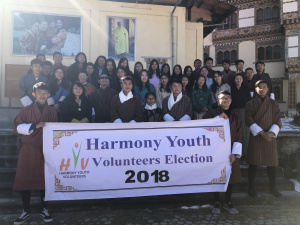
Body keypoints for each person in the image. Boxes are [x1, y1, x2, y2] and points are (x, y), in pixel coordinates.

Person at [13, 82, 58, 224]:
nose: (43, 95)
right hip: (28, 148)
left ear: (48, 94)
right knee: (24, 178)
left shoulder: (51, 112)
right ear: (34, 95)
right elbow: (17, 126)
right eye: (40, 93)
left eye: (45, 93)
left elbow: (55, 130)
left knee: (44, 180)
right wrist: (34, 125)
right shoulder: (26, 110)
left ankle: (44, 209)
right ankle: (26, 210)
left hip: (45, 149)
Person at [203, 90, 242, 215]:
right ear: (218, 101)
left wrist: (234, 153)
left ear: (231, 101)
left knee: (230, 176)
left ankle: (227, 201)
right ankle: (216, 201)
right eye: (222, 98)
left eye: (227, 98)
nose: (225, 100)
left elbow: (239, 136)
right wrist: (216, 119)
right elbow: (203, 125)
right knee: (216, 176)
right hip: (215, 149)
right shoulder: (212, 113)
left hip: (231, 150)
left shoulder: (236, 116)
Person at [245, 80, 282, 197]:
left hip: (269, 136)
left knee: (271, 163)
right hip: (257, 135)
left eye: (264, 87)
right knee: (253, 163)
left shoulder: (273, 103)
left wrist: (270, 133)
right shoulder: (250, 104)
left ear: (267, 89)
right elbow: (249, 120)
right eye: (259, 87)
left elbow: (277, 119)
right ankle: (251, 188)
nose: (261, 89)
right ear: (255, 89)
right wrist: (261, 132)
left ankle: (273, 188)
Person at [231, 74, 251, 156]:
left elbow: (249, 101)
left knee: (244, 132)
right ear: (234, 80)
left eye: (240, 79)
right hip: (234, 111)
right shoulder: (231, 89)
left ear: (242, 80)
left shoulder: (246, 89)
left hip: (244, 111)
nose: (238, 80)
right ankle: (235, 153)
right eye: (237, 79)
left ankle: (245, 153)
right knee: (235, 132)